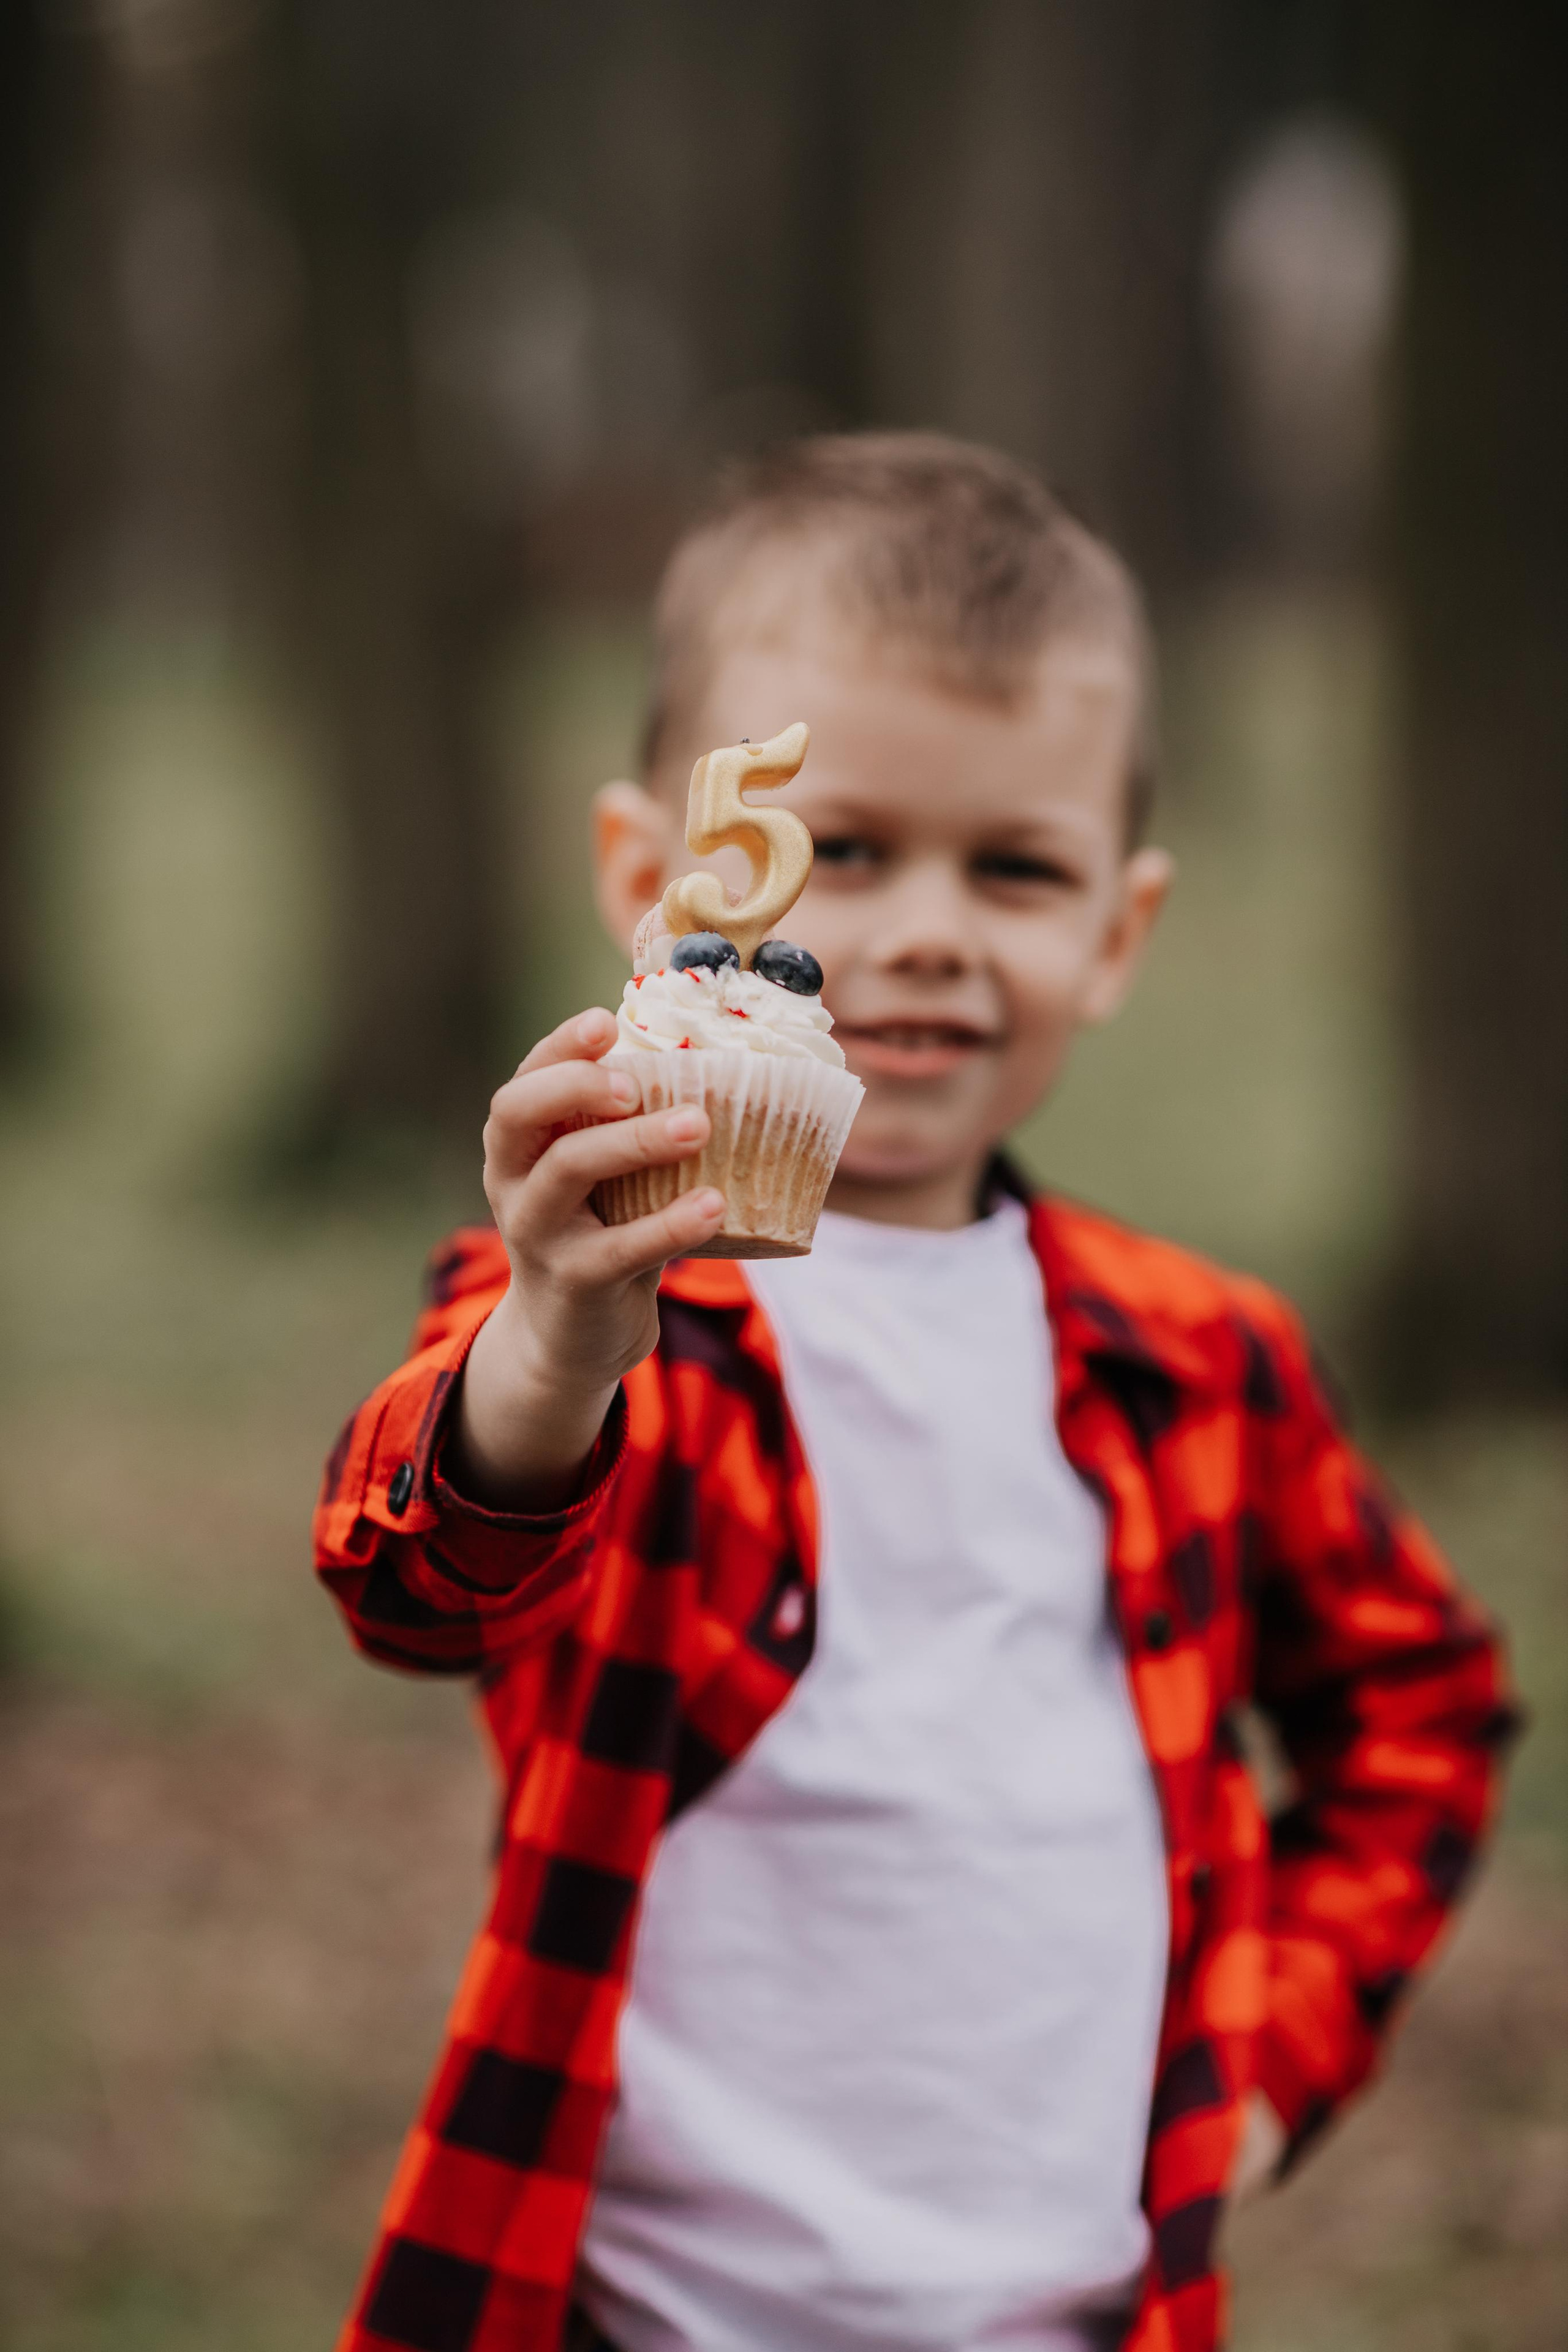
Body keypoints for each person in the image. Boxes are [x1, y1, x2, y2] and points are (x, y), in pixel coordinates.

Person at [314, 434, 1513, 2352]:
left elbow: (1422, 1701)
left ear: (1116, 929)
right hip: (638, 2311)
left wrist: (1273, 2061)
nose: (928, 928)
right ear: (659, 877)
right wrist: (553, 1340)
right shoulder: (624, 1313)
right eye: (845, 850)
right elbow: (415, 1589)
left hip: (1077, 2315)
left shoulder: (1200, 1359)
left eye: (1017, 868)